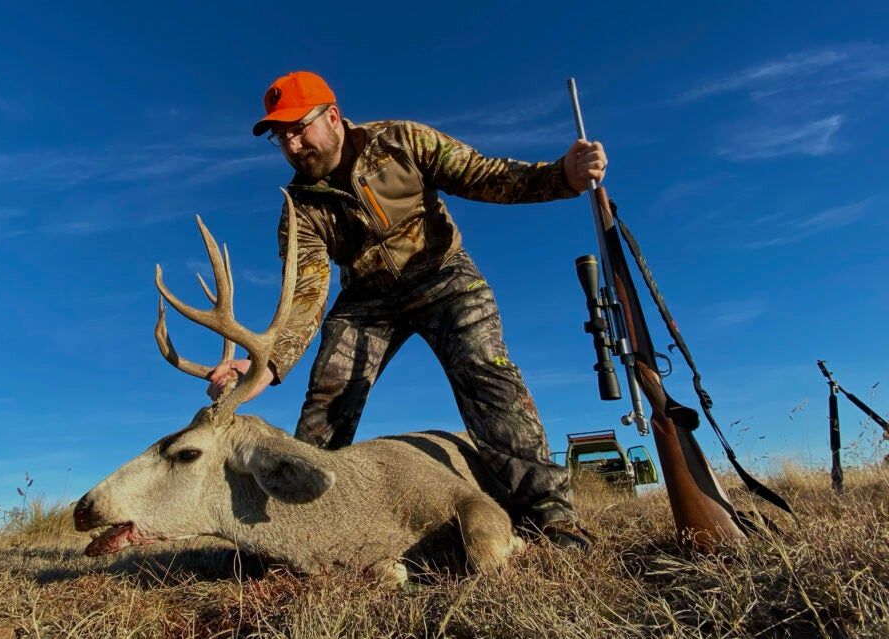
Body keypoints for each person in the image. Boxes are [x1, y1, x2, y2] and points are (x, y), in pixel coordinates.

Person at [208, 71, 607, 548]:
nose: (292, 145)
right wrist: (265, 367)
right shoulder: (298, 207)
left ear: (332, 116)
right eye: (281, 137)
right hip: (366, 301)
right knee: (325, 404)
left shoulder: (401, 140)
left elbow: (483, 175)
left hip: (444, 276)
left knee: (487, 373)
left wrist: (560, 176)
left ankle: (550, 517)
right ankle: (303, 533)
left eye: (299, 128)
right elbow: (306, 295)